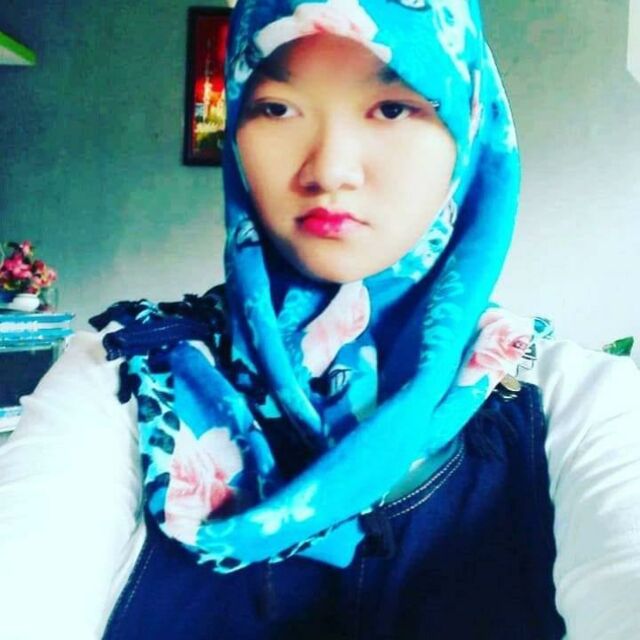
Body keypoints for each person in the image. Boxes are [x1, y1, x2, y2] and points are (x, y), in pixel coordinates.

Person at [1, 0, 640, 638]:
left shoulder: (575, 404)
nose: (329, 169)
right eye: (277, 108)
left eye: (393, 108)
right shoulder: (119, 379)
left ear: (469, 125)